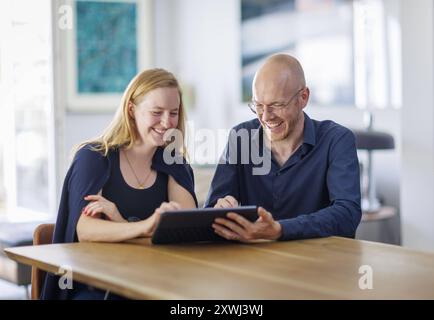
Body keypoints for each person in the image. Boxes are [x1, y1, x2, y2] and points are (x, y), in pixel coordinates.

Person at [42, 68, 197, 299]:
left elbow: (186, 231)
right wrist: (147, 226)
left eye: (173, 112)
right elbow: (86, 230)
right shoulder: (94, 157)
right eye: (157, 112)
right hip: (94, 286)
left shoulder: (174, 163)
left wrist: (120, 221)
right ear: (132, 110)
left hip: (155, 281)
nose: (167, 122)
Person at [205, 54, 361, 242]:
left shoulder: (337, 140)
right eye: (258, 106)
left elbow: (347, 215)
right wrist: (219, 208)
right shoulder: (240, 138)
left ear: (303, 97)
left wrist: (281, 230)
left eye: (277, 105)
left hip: (319, 263)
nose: (265, 117)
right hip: (254, 261)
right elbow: (211, 212)